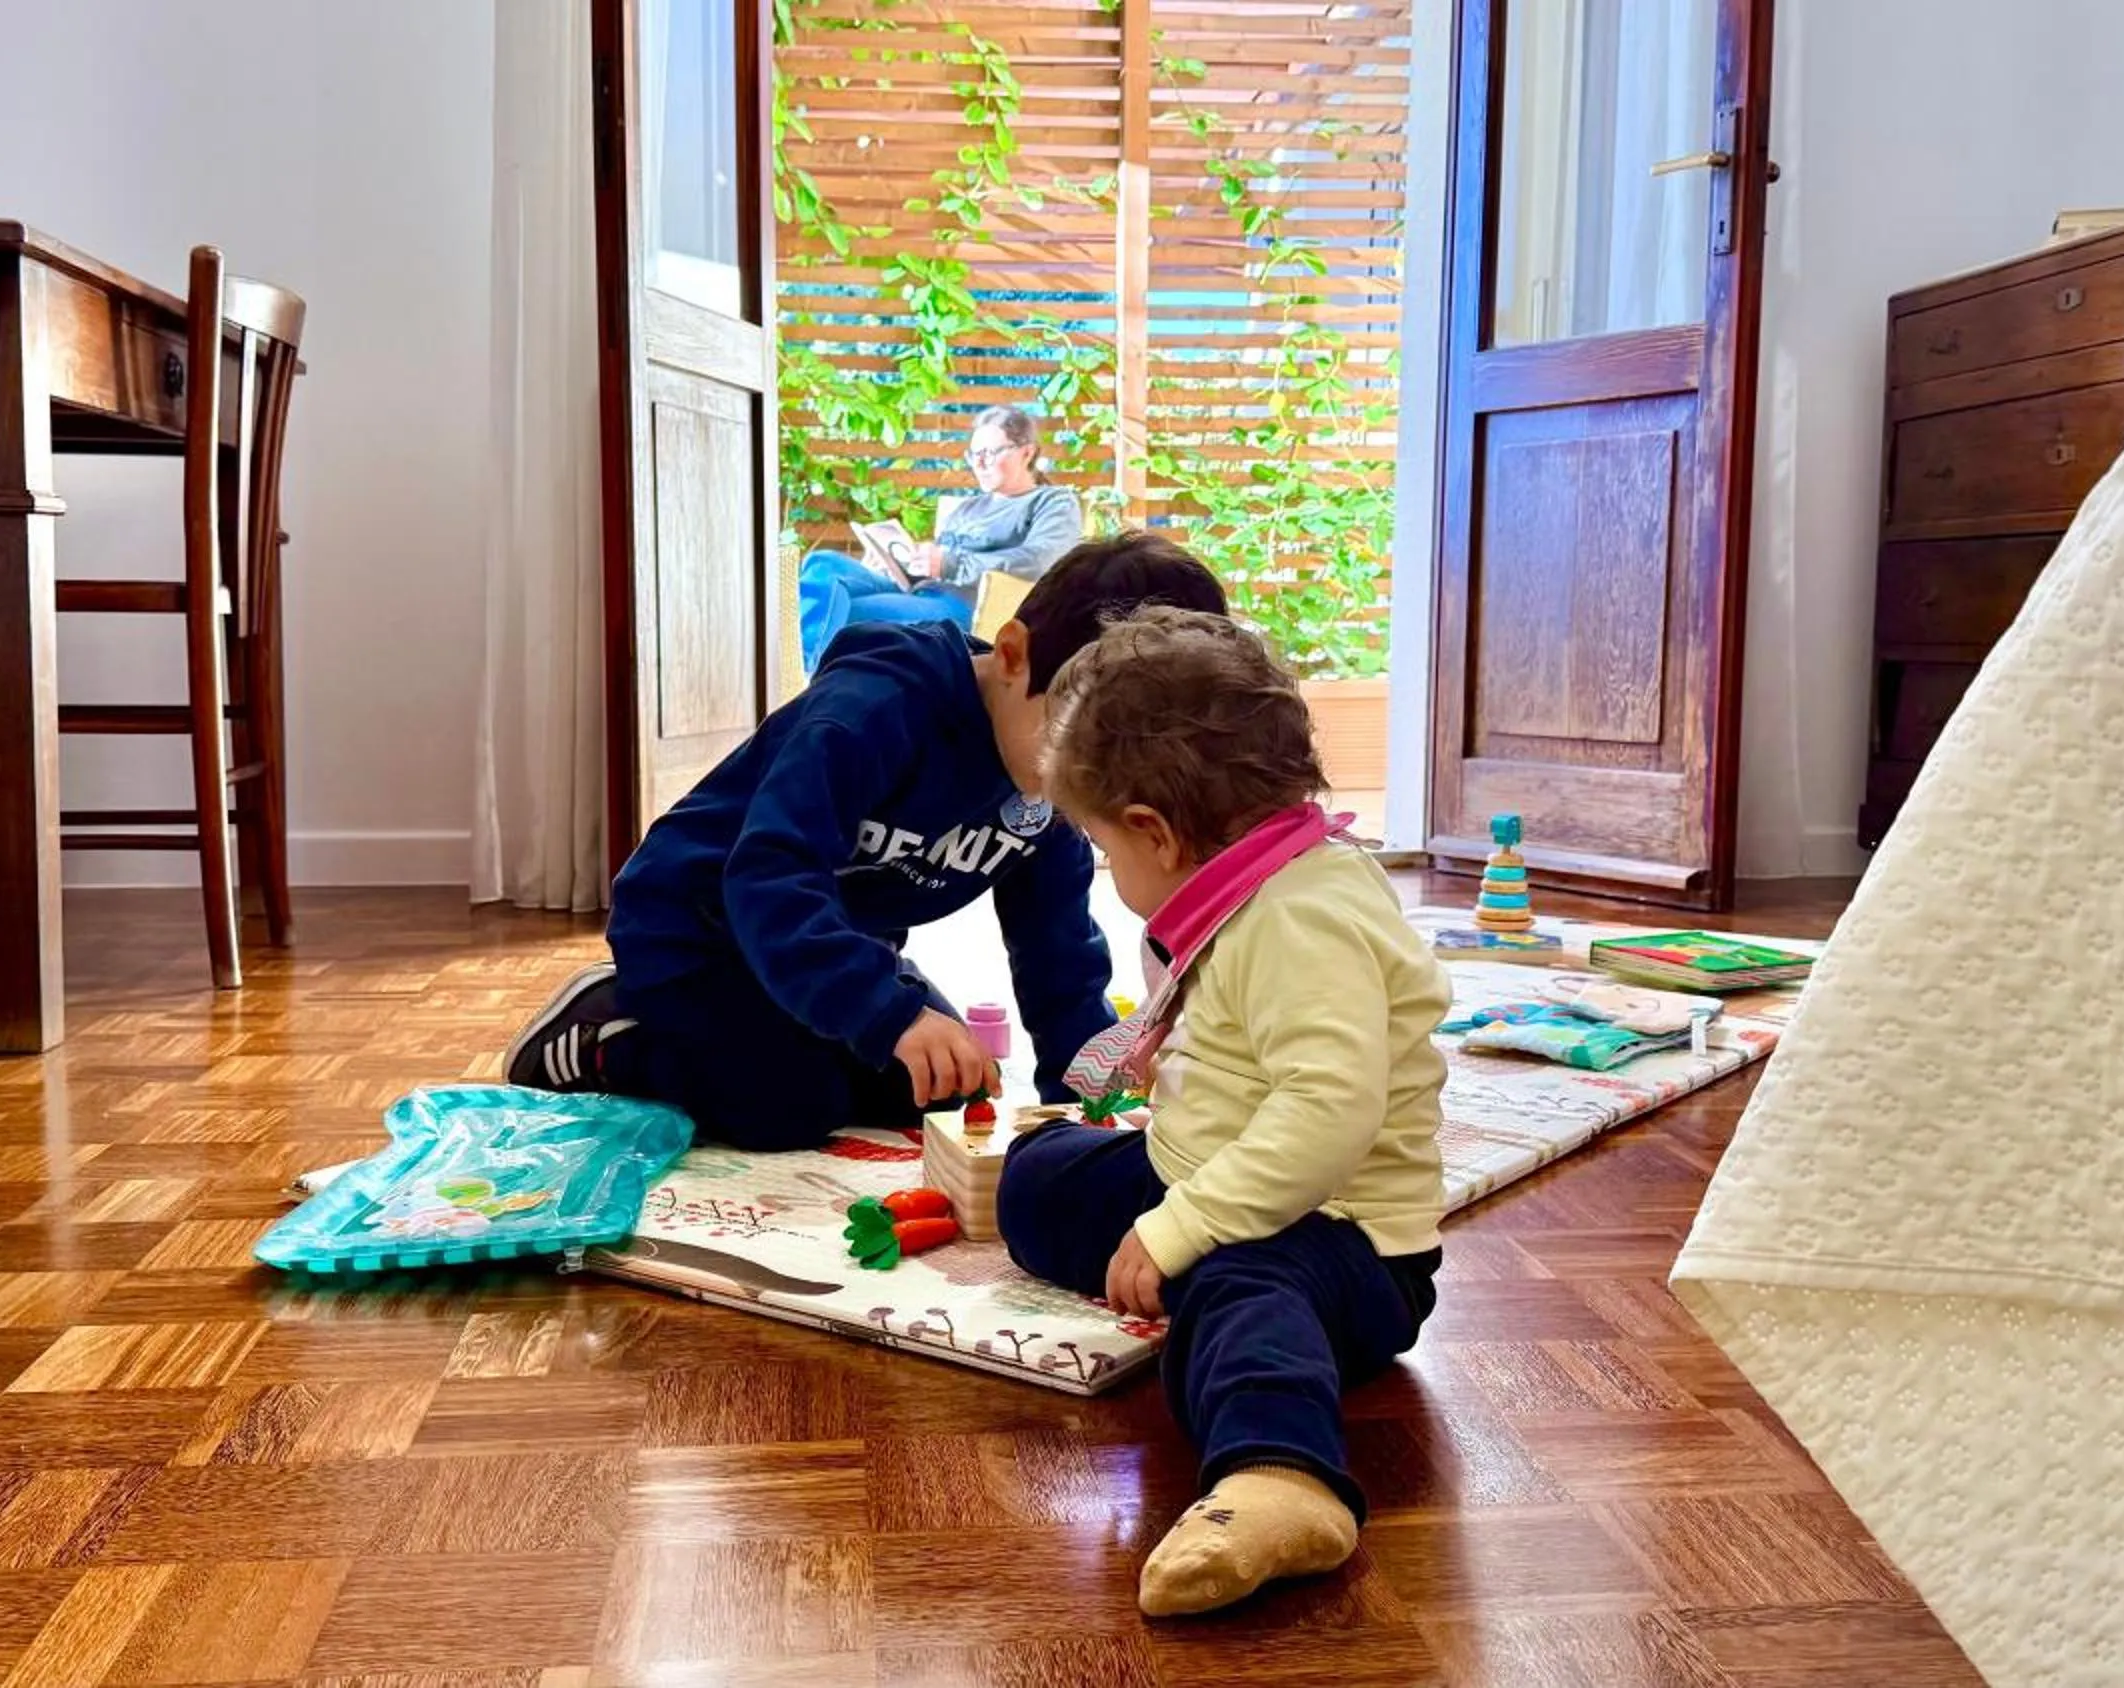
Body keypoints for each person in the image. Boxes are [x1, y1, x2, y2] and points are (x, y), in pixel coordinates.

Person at [993, 608, 1449, 1618]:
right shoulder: (1257, 886)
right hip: (1220, 1173)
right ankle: (1177, 1245)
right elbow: (1254, 1050)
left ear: (1154, 828)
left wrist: (1183, 1226)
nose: (1113, 876)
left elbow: (1329, 1109)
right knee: (1037, 1180)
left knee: (1236, 1281)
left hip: (1341, 1238)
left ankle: (1280, 1477)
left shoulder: (1303, 916)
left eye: (1106, 849)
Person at [502, 533, 1229, 1152]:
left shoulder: (1057, 784)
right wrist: (891, 1014)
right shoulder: (874, 711)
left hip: (831, 944)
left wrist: (1087, 1101)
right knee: (790, 1106)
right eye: (1082, 740)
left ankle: (810, 1026)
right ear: (1013, 655)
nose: (1092, 777)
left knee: (942, 1091)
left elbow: (1057, 952)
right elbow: (767, 873)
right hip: (699, 932)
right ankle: (607, 1031)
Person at [795, 404, 1087, 671]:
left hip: (965, 608)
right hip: (922, 592)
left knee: (838, 612)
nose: (980, 463)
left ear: (1027, 452)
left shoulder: (1052, 502)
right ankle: (809, 673)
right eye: (974, 454)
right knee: (823, 564)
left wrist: (949, 564)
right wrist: (896, 564)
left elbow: (1044, 561)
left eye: (992, 452)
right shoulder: (970, 506)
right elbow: (937, 564)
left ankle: (805, 682)